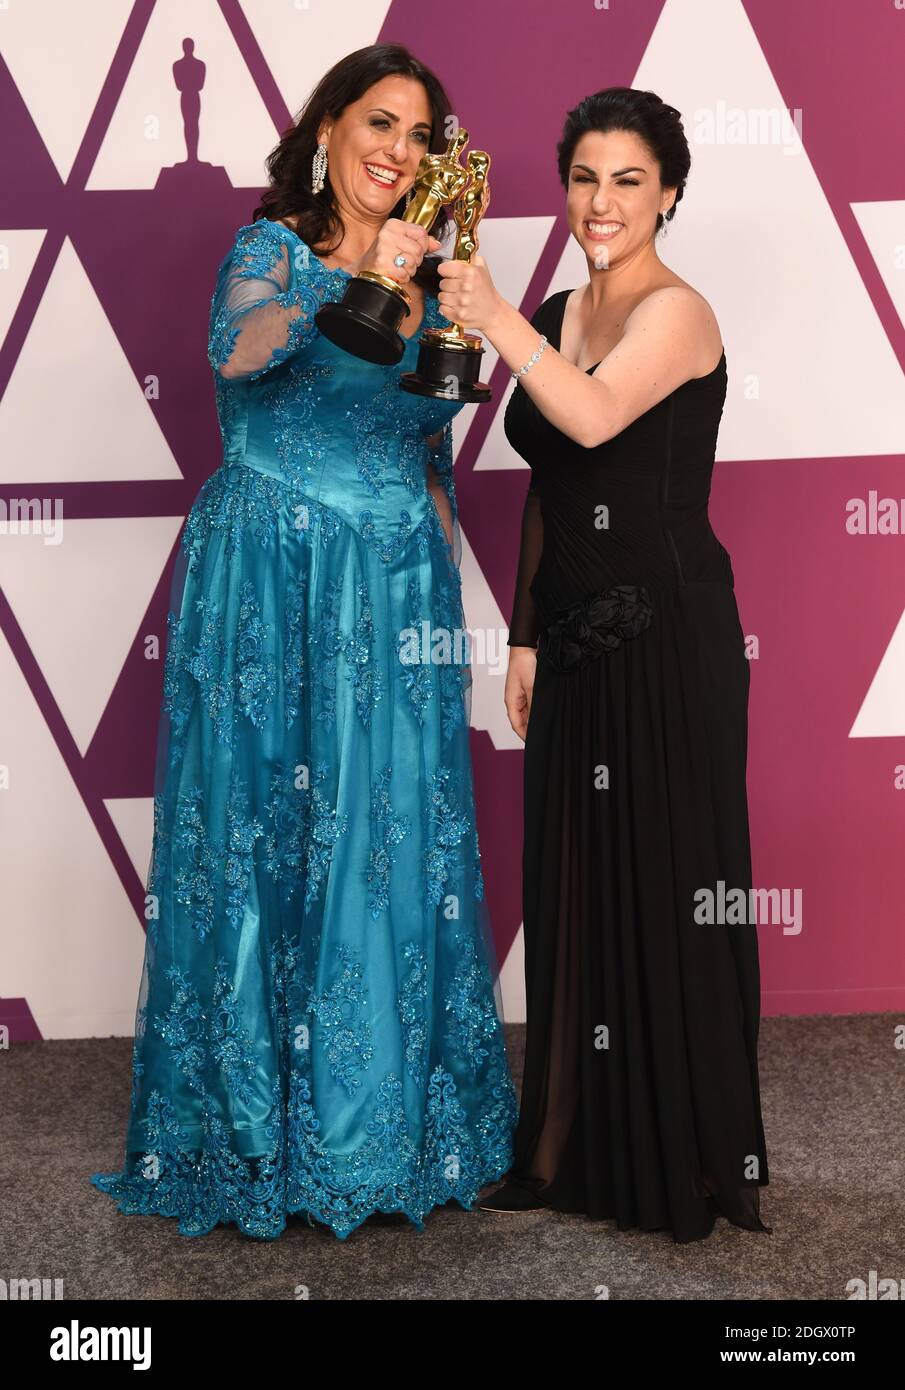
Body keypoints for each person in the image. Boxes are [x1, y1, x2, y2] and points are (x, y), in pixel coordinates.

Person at [90, 43, 517, 1242]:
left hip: (392, 593)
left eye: (421, 135)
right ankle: (249, 1132)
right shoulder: (266, 249)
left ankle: (386, 1125)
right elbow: (237, 352)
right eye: (377, 122)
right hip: (269, 584)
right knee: (260, 834)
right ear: (326, 127)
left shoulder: (440, 269)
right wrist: (353, 281)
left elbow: (427, 452)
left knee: (385, 839)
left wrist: (458, 620)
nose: (397, 151)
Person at [439, 87, 771, 1243]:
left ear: (668, 193)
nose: (601, 201)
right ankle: (563, 1146)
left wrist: (492, 318)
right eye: (584, 177)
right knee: (573, 891)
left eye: (627, 180)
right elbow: (553, 485)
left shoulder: (678, 315)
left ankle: (676, 1156)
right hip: (576, 642)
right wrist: (525, 634)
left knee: (665, 886)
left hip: (668, 637)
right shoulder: (558, 307)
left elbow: (585, 419)